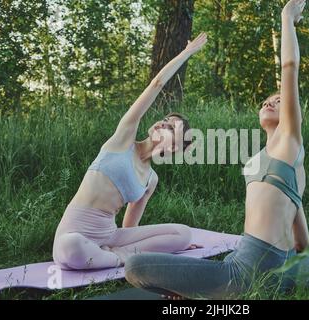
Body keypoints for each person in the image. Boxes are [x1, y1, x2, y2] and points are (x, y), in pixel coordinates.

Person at [124, 0, 309, 299]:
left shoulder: (289, 140)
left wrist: (286, 17)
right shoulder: (275, 162)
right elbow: (302, 238)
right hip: (262, 268)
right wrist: (297, 271)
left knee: (134, 266)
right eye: (266, 100)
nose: (269, 102)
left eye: (278, 100)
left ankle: (217, 295)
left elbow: (290, 68)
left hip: (248, 273)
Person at [52, 33, 209, 270]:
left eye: (170, 128)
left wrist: (168, 244)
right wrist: (185, 53)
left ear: (175, 146)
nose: (162, 123)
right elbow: (156, 84)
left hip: (111, 235)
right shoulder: (123, 139)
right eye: (164, 119)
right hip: (75, 234)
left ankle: (112, 255)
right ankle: (119, 258)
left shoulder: (150, 179)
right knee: (71, 246)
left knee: (183, 234)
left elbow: (130, 228)